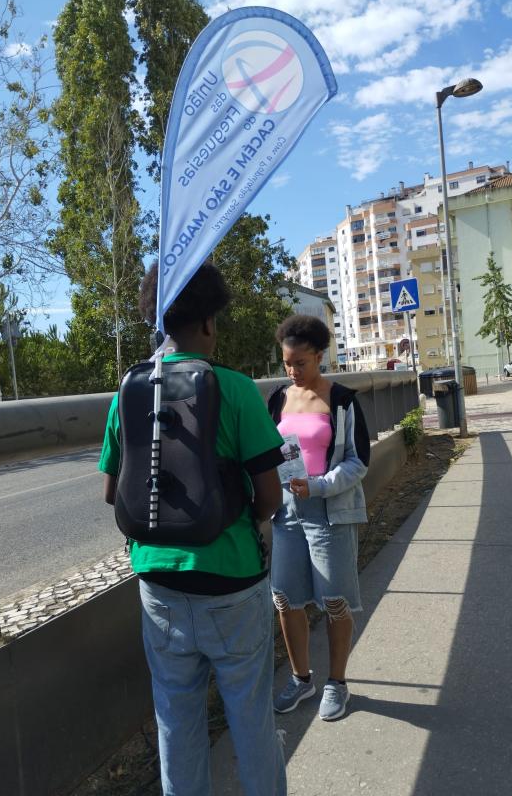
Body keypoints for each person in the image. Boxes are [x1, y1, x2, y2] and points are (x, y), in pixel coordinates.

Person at [99, 263, 287, 796]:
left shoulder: (129, 391)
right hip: (232, 583)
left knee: (176, 724)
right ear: (208, 322)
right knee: (250, 718)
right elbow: (268, 496)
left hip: (158, 586)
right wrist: (245, 520)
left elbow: (113, 493)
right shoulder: (235, 388)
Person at [268, 314, 370, 722]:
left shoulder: (342, 399)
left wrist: (319, 485)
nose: (294, 371)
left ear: (320, 356)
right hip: (286, 512)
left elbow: (358, 460)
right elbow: (267, 451)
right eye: (287, 363)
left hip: (329, 512)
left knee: (334, 600)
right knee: (285, 597)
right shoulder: (278, 398)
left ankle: (337, 683)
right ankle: (301, 677)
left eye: (302, 363)